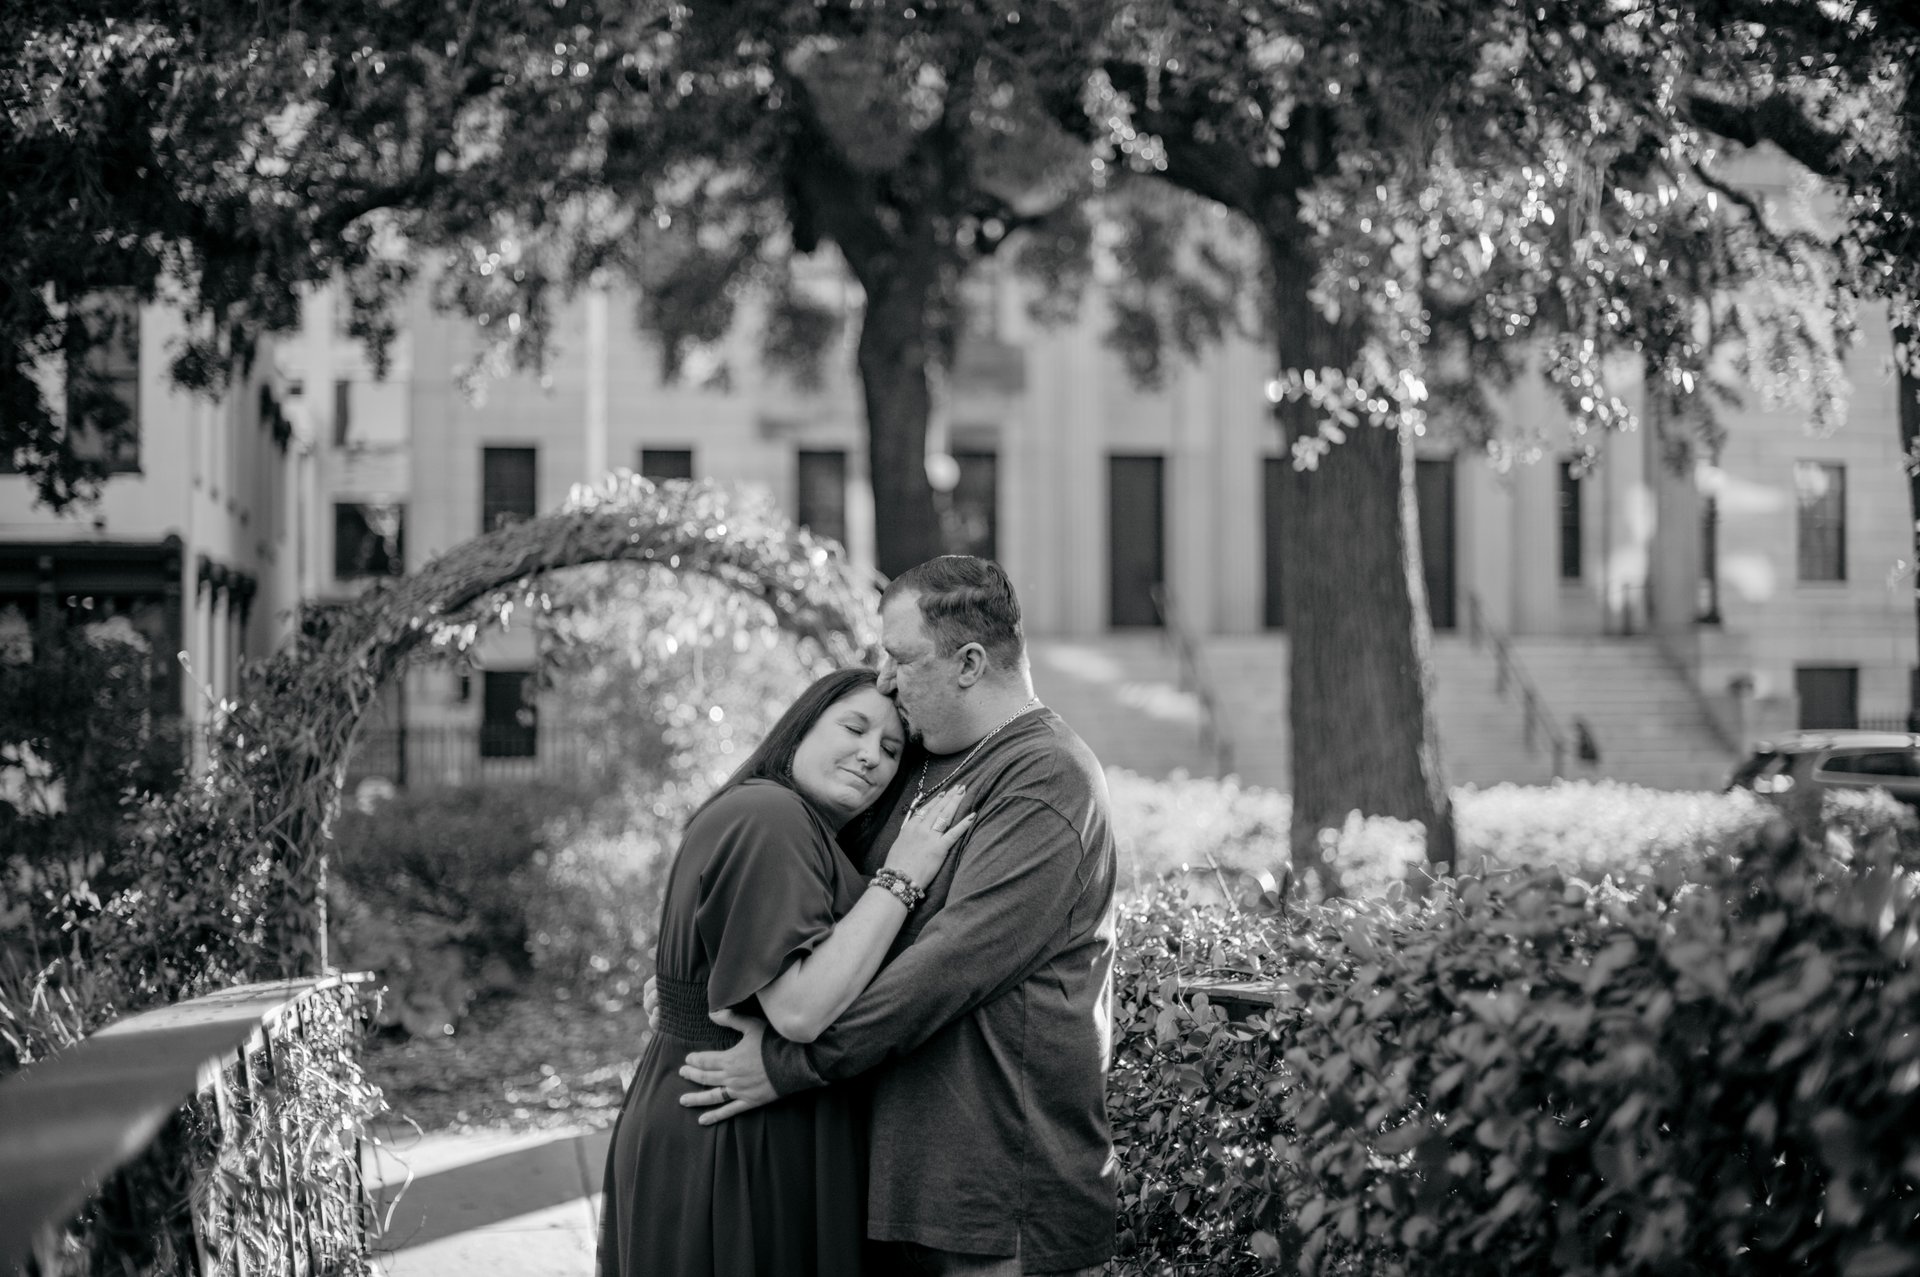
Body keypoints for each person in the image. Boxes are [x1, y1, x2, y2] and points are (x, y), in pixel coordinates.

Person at [678, 556, 1120, 1276]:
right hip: (894, 1183)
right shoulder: (916, 761)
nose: (884, 679)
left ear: (970, 663)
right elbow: (823, 911)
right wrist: (707, 981)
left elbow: (946, 967)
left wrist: (789, 1064)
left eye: (901, 658)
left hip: (1000, 1204)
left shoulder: (1047, 778)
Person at [597, 666, 976, 1277]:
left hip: (726, 1117)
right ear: (800, 727)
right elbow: (799, 1011)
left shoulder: (782, 819)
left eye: (890, 750)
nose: (871, 756)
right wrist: (903, 876)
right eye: (853, 728)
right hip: (738, 1137)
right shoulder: (773, 816)